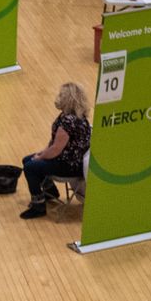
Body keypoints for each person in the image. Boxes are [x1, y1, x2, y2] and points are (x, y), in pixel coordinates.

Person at [19, 82, 92, 219]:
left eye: (61, 95)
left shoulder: (69, 121)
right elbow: (53, 142)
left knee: (30, 167)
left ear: (68, 99)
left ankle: (38, 206)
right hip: (68, 160)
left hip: (69, 166)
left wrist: (40, 157)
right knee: (27, 159)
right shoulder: (72, 116)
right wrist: (41, 153)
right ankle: (50, 191)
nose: (58, 97)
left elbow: (56, 149)